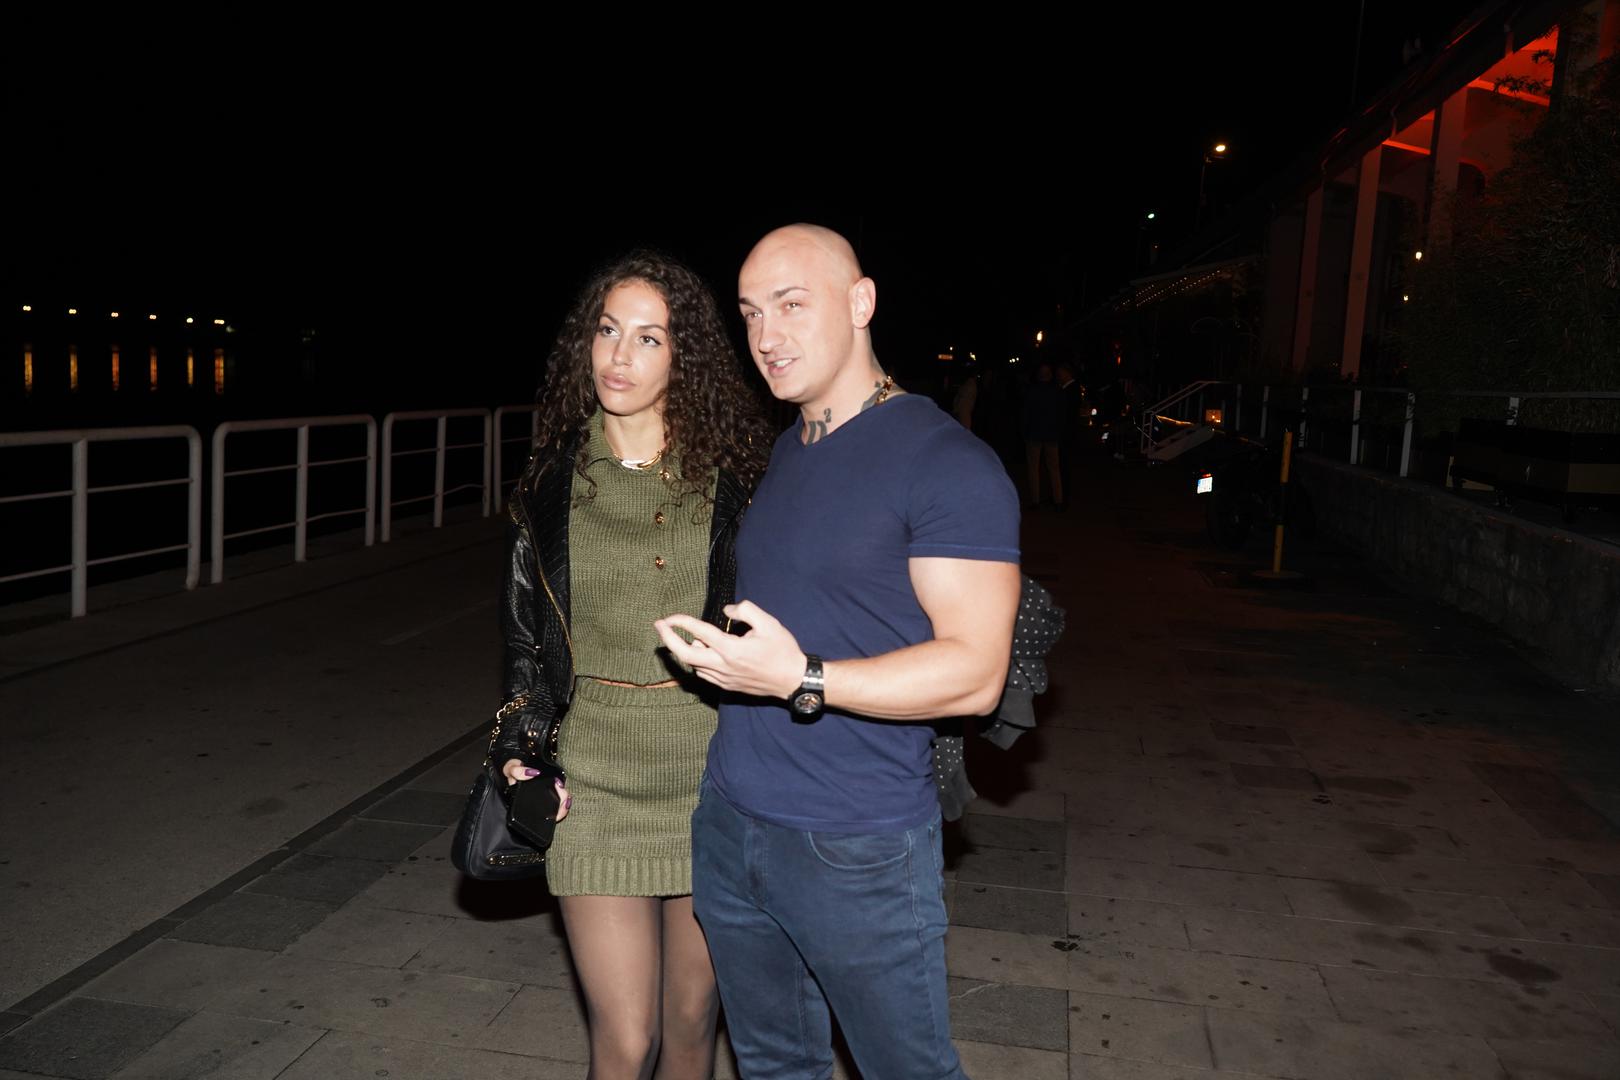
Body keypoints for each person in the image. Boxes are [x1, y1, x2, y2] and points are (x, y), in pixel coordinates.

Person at [655, 224, 1021, 1080]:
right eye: (751, 313)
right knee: (773, 1066)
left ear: (861, 303)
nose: (766, 335)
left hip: (856, 843)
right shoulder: (790, 448)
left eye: (791, 304)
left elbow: (977, 673)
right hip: (732, 822)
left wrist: (801, 678)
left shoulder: (945, 461)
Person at [493, 251, 770, 1080]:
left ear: (685, 358)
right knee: (625, 1040)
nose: (619, 356)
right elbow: (524, 643)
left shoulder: (732, 483)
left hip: (712, 783)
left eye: (649, 338)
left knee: (690, 1025)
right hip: (595, 788)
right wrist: (517, 750)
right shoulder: (549, 485)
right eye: (608, 331)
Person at [1021, 361, 1065, 509]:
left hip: (1034, 433)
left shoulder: (1031, 391)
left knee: (1033, 468)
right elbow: (1061, 414)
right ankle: (1058, 500)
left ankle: (1036, 500)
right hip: (1052, 434)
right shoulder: (1057, 391)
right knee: (1054, 468)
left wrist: (1025, 431)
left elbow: (1025, 414)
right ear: (1050, 375)